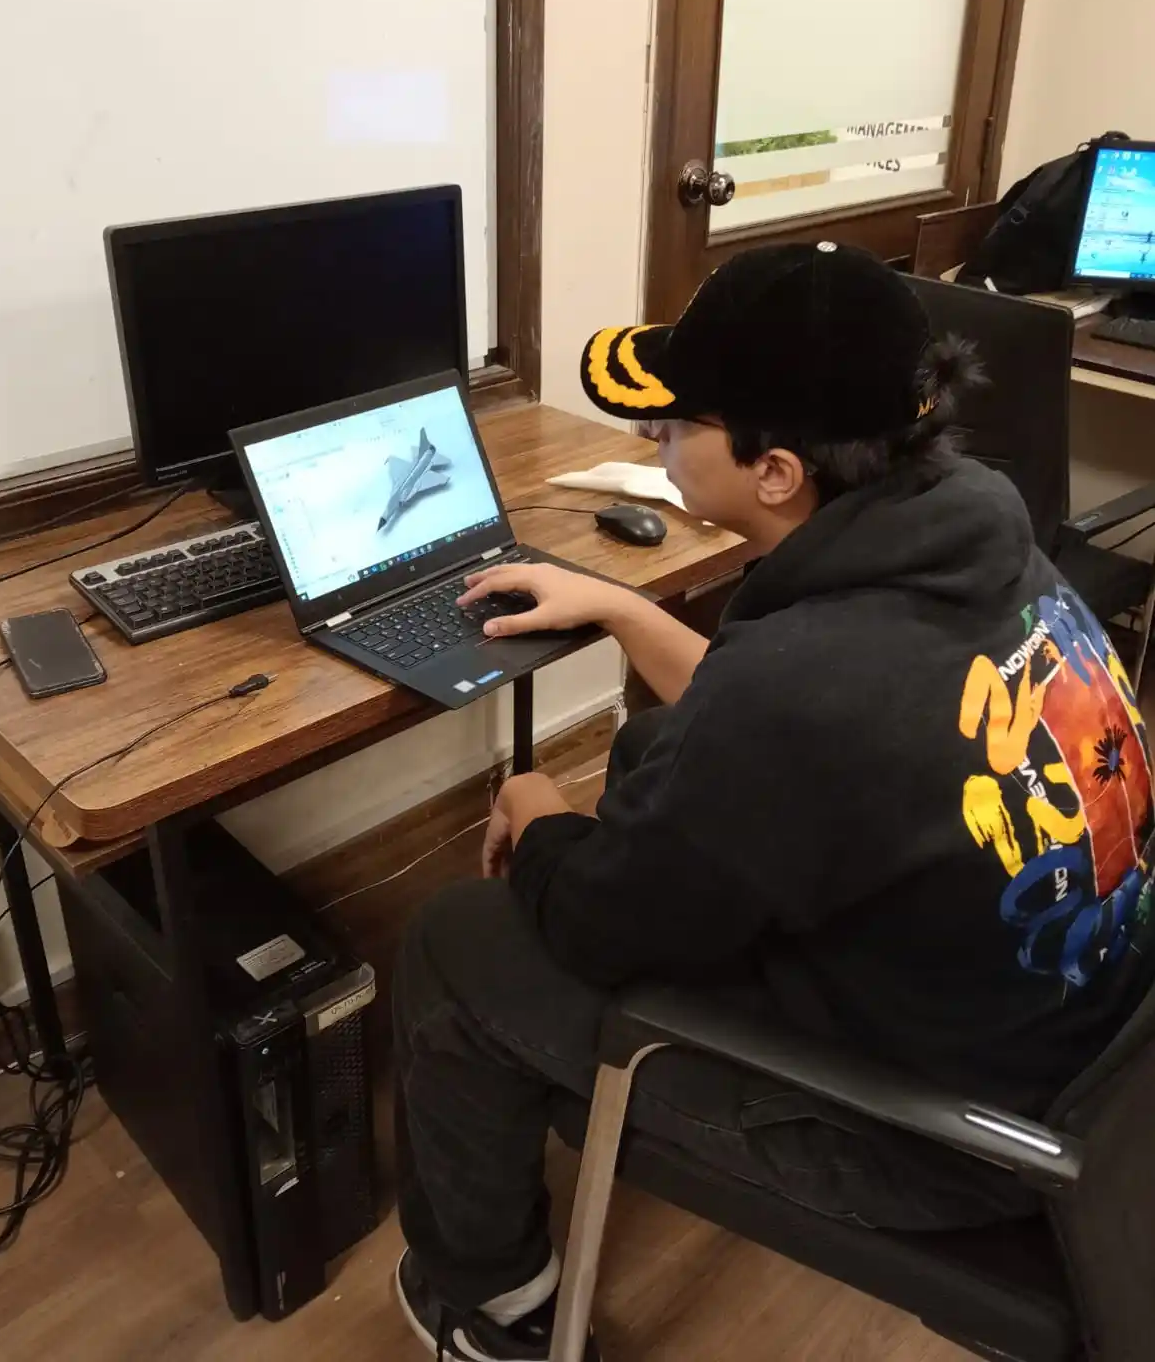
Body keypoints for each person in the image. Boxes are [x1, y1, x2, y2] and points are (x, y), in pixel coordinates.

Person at [392, 242, 1155, 1361]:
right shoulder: (983, 542)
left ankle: (488, 1302)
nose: (653, 439)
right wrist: (620, 608)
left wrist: (539, 802)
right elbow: (812, 731)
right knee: (653, 745)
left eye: (674, 423)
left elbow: (598, 922)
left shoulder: (805, 685)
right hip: (1071, 1028)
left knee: (457, 940)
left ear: (777, 472)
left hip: (942, 1140)